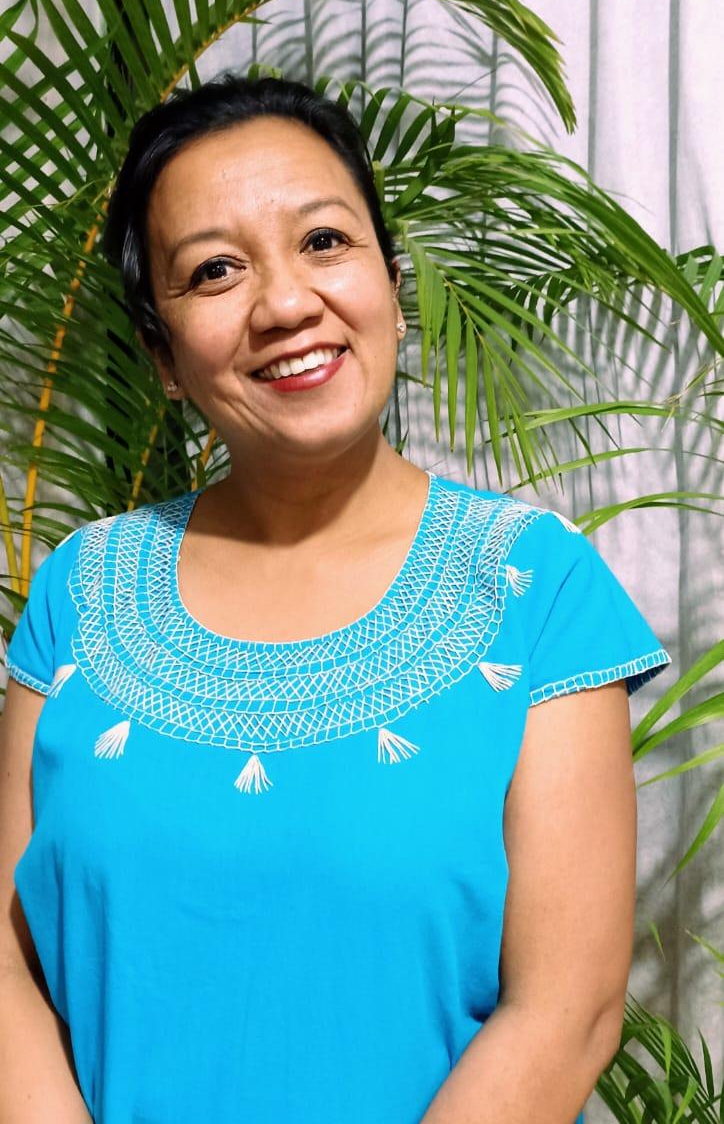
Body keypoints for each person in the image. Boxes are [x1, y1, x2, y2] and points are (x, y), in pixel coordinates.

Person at [0, 75, 671, 1124]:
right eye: (213, 269)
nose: (282, 302)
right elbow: (7, 978)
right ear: (162, 355)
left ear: (390, 282)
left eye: (323, 241)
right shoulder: (79, 589)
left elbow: (567, 1008)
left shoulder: (536, 585)